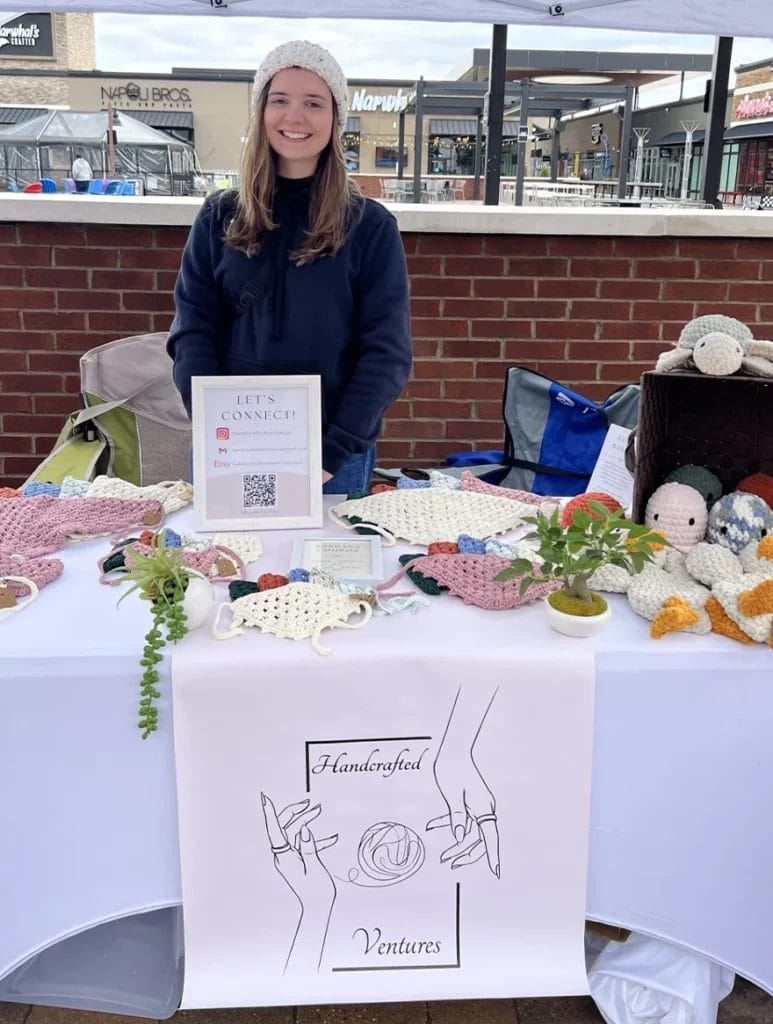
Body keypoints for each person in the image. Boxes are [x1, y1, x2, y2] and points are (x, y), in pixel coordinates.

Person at [167, 40, 412, 494]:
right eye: (280, 100)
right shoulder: (220, 216)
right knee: (228, 564)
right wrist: (217, 429)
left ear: (335, 119)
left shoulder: (370, 227)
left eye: (314, 103)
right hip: (232, 449)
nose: (294, 117)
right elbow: (192, 332)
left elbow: (386, 353)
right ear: (261, 112)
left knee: (322, 567)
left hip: (332, 459)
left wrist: (331, 454)